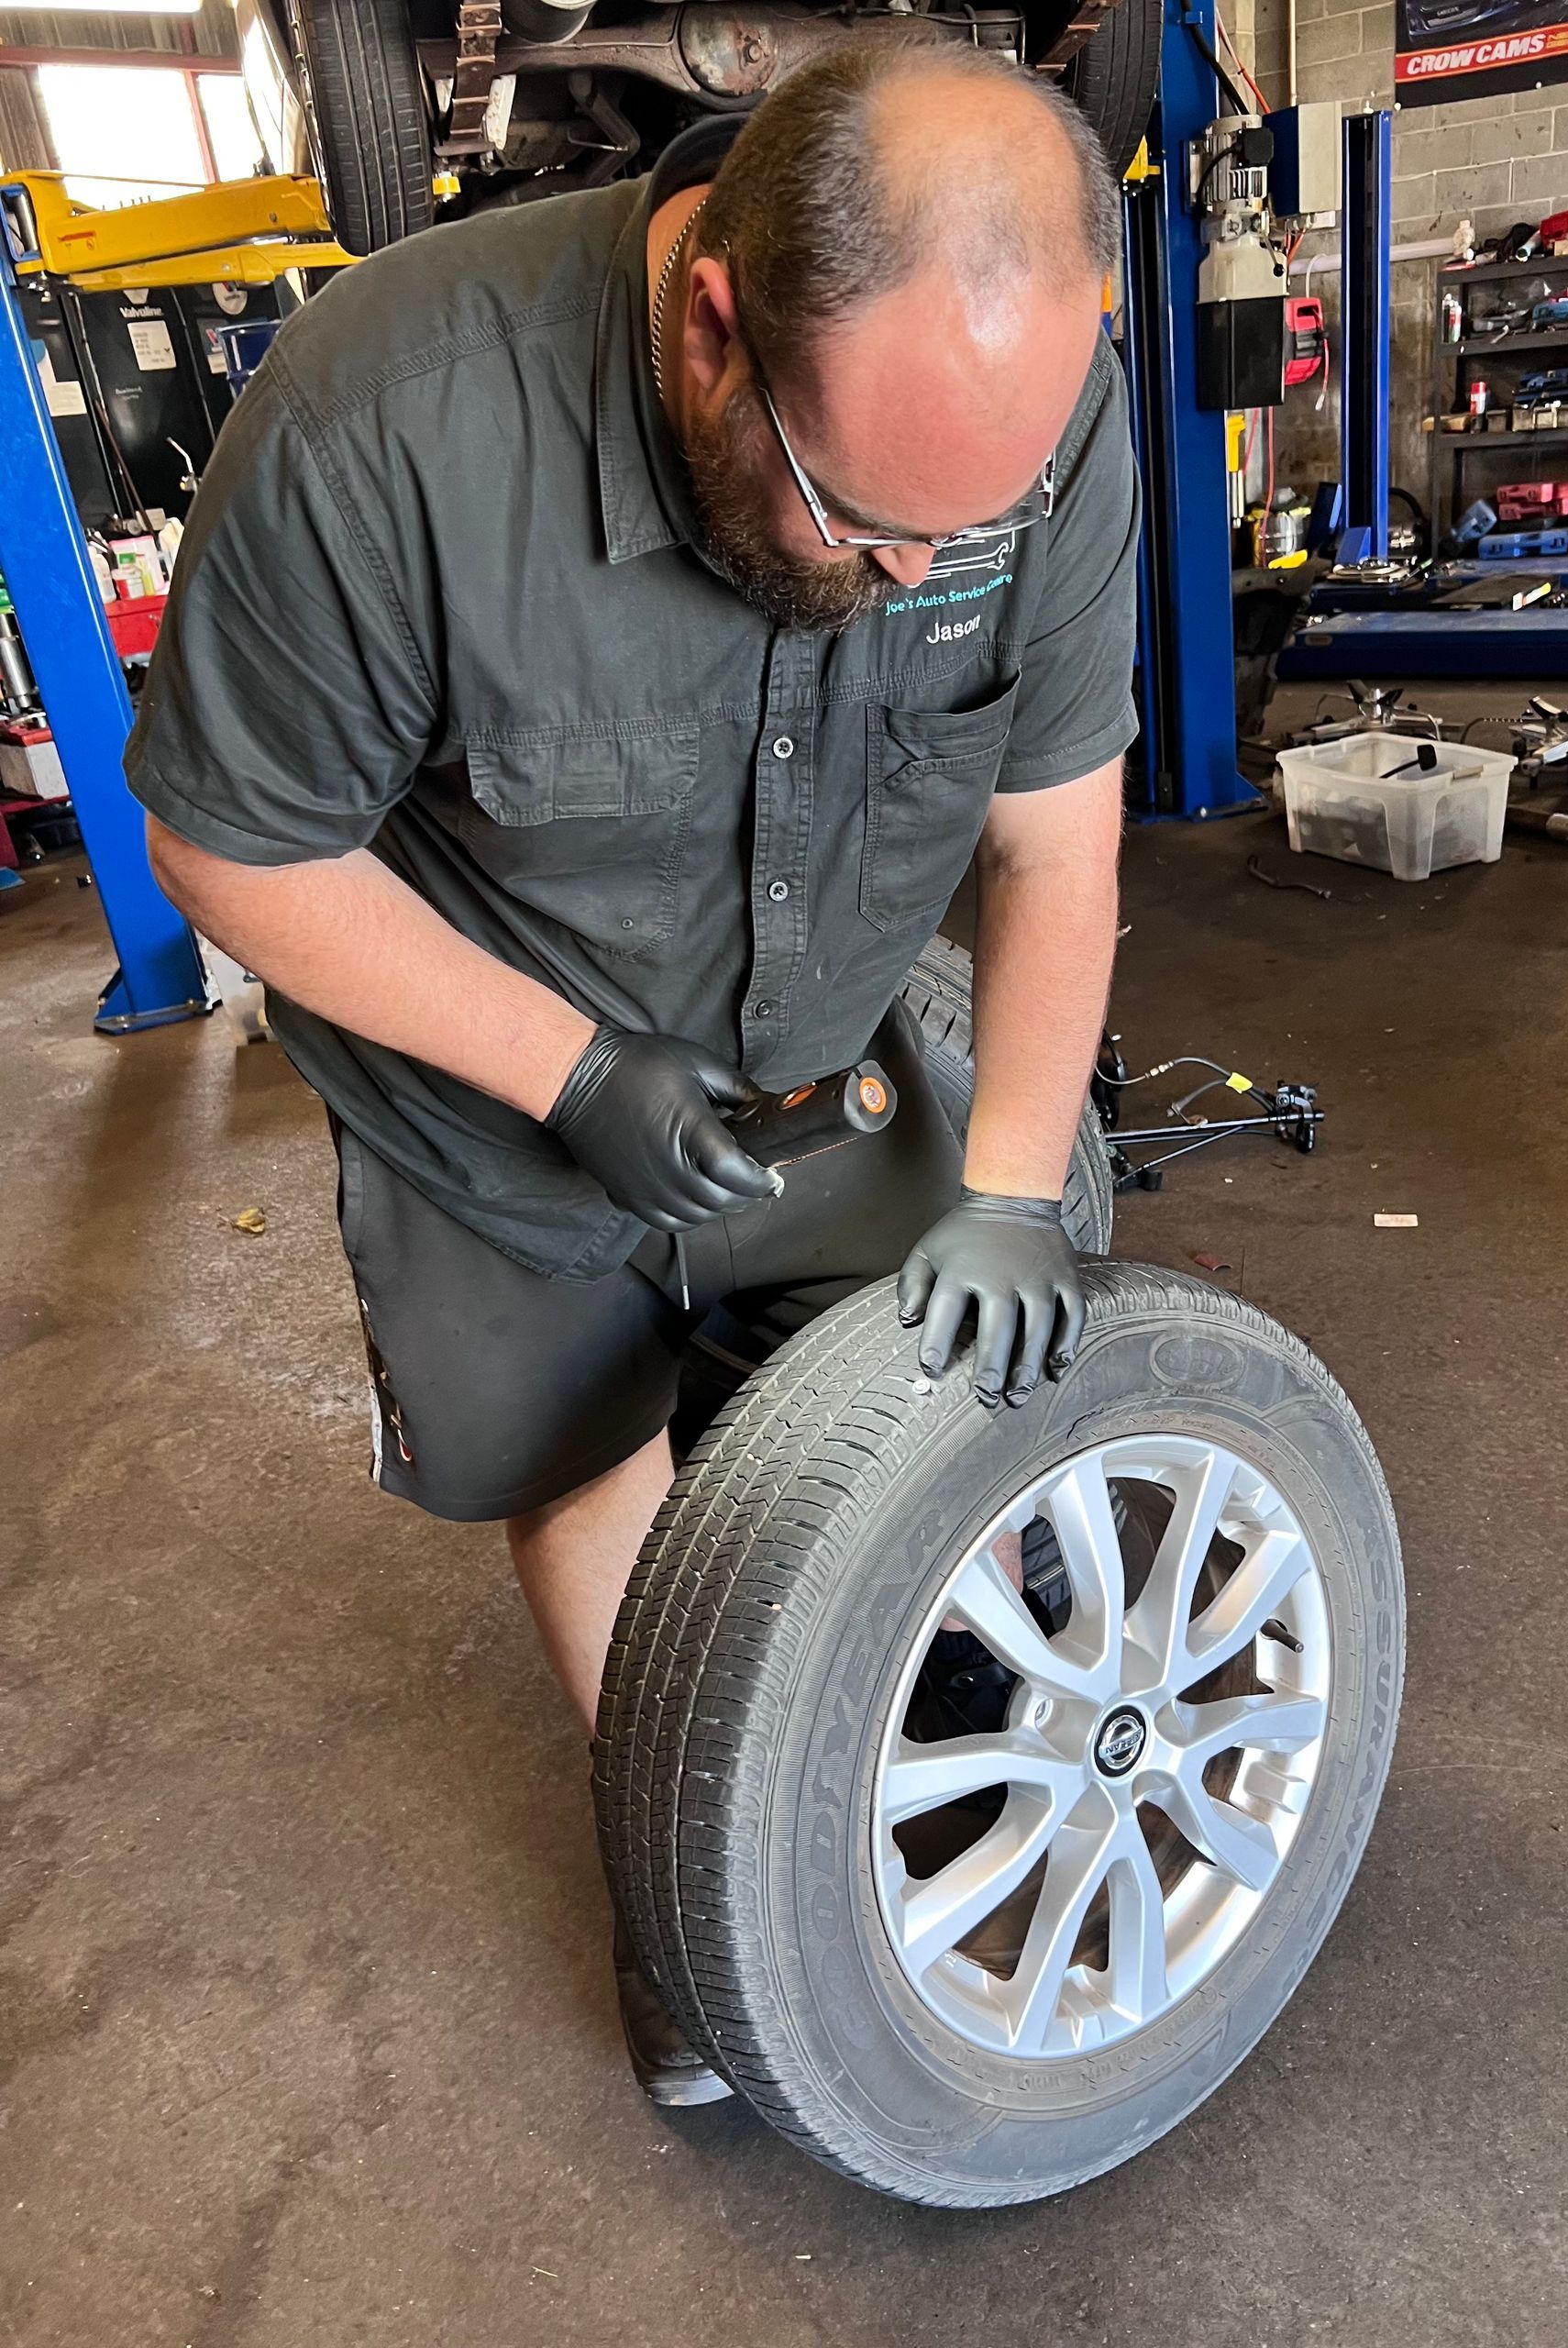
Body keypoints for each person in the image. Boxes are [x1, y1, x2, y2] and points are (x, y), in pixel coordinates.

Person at [128, 30, 1140, 2104]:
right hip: (482, 1074)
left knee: (916, 1359)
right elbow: (232, 843)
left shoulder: (1037, 426)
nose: (915, 576)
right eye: (864, 515)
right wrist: (568, 1067)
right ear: (710, 323)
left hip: (809, 1031)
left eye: (975, 526)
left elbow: (1056, 839)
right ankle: (706, 1902)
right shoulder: (382, 426)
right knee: (599, 1453)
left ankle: (925, 1711)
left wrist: (1019, 1179)